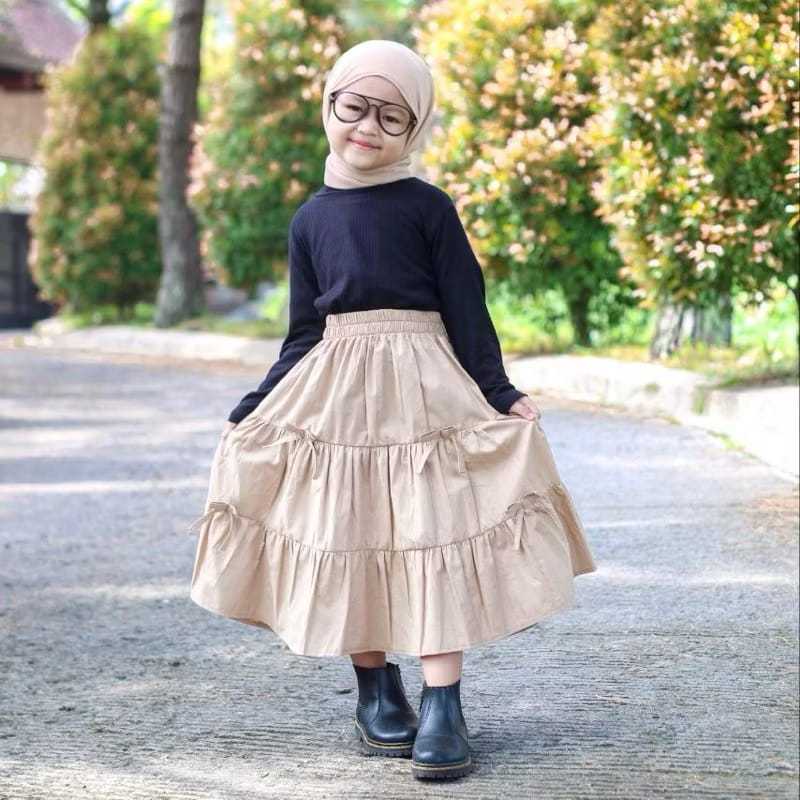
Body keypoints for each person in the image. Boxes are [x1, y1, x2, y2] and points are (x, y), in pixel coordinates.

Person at [187, 39, 597, 781]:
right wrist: (255, 405)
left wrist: (498, 391)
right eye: (355, 108)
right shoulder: (310, 219)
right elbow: (304, 331)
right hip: (337, 391)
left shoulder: (428, 207)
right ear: (329, 106)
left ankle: (444, 704)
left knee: (434, 533)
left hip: (425, 388)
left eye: (391, 117)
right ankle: (376, 690)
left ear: (414, 128)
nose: (367, 128)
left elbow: (466, 307)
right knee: (350, 532)